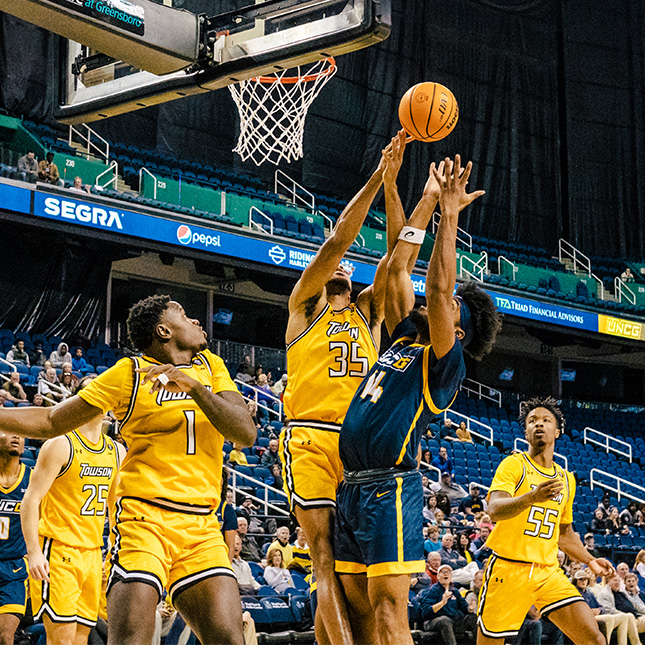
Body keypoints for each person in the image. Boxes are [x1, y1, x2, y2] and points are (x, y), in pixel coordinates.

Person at [0, 294, 257, 645]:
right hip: (144, 521)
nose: (196, 320)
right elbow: (50, 419)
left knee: (230, 639)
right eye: (182, 313)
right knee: (131, 639)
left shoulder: (210, 366)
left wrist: (194, 387)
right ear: (163, 330)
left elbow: (245, 433)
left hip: (201, 527)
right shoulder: (129, 373)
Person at [334, 153, 499, 645]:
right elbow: (397, 265)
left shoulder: (446, 361)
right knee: (359, 616)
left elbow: (438, 281)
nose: (431, 302)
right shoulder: (407, 337)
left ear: (460, 328)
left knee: (389, 615)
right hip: (352, 488)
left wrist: (449, 214)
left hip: (390, 489)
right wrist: (416, 196)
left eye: (446, 306)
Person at [278, 137, 397, 645]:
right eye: (336, 269)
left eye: (349, 270)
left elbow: (396, 259)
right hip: (307, 439)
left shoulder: (368, 312)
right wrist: (373, 179)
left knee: (355, 571)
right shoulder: (304, 304)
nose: (342, 269)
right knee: (322, 558)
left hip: (356, 446)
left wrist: (394, 187)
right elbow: (334, 246)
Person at [477, 396, 613, 645]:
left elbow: (564, 533)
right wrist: (531, 497)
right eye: (532, 421)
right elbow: (494, 509)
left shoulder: (566, 478)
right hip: (509, 569)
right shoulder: (514, 464)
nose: (538, 424)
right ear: (526, 432)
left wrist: (590, 560)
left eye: (545, 420)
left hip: (548, 572)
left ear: (558, 431)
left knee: (594, 638)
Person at [22, 376, 125, 644]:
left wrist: (114, 553)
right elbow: (31, 500)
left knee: (82, 640)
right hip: (58, 551)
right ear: (76, 400)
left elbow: (116, 508)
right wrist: (34, 552)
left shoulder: (117, 451)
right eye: (88, 390)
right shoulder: (60, 444)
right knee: (61, 640)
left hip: (92, 553)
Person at [0, 431, 31, 645]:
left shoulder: (34, 478)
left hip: (14, 569)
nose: (16, 437)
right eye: (9, 431)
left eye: (20, 434)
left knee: (5, 635)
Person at [418, 564, 477, 645]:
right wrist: (442, 603)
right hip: (432, 622)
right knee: (445, 620)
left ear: (451, 576)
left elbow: (463, 606)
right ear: (438, 576)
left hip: (453, 622)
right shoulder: (433, 590)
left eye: (448, 572)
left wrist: (469, 608)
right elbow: (425, 613)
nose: (446, 573)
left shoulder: (455, 591)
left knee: (473, 617)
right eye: (443, 572)